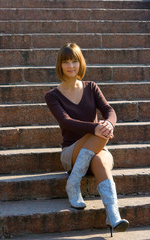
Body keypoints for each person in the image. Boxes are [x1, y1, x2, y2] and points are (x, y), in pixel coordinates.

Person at [45, 43, 129, 237]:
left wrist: (109, 123)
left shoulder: (91, 87)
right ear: (60, 65)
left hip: (98, 147)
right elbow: (66, 121)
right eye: (66, 62)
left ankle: (113, 215)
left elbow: (109, 111)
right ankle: (73, 184)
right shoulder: (52, 95)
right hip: (71, 151)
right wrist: (96, 128)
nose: (71, 66)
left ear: (80, 62)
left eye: (74, 60)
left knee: (100, 157)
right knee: (98, 133)